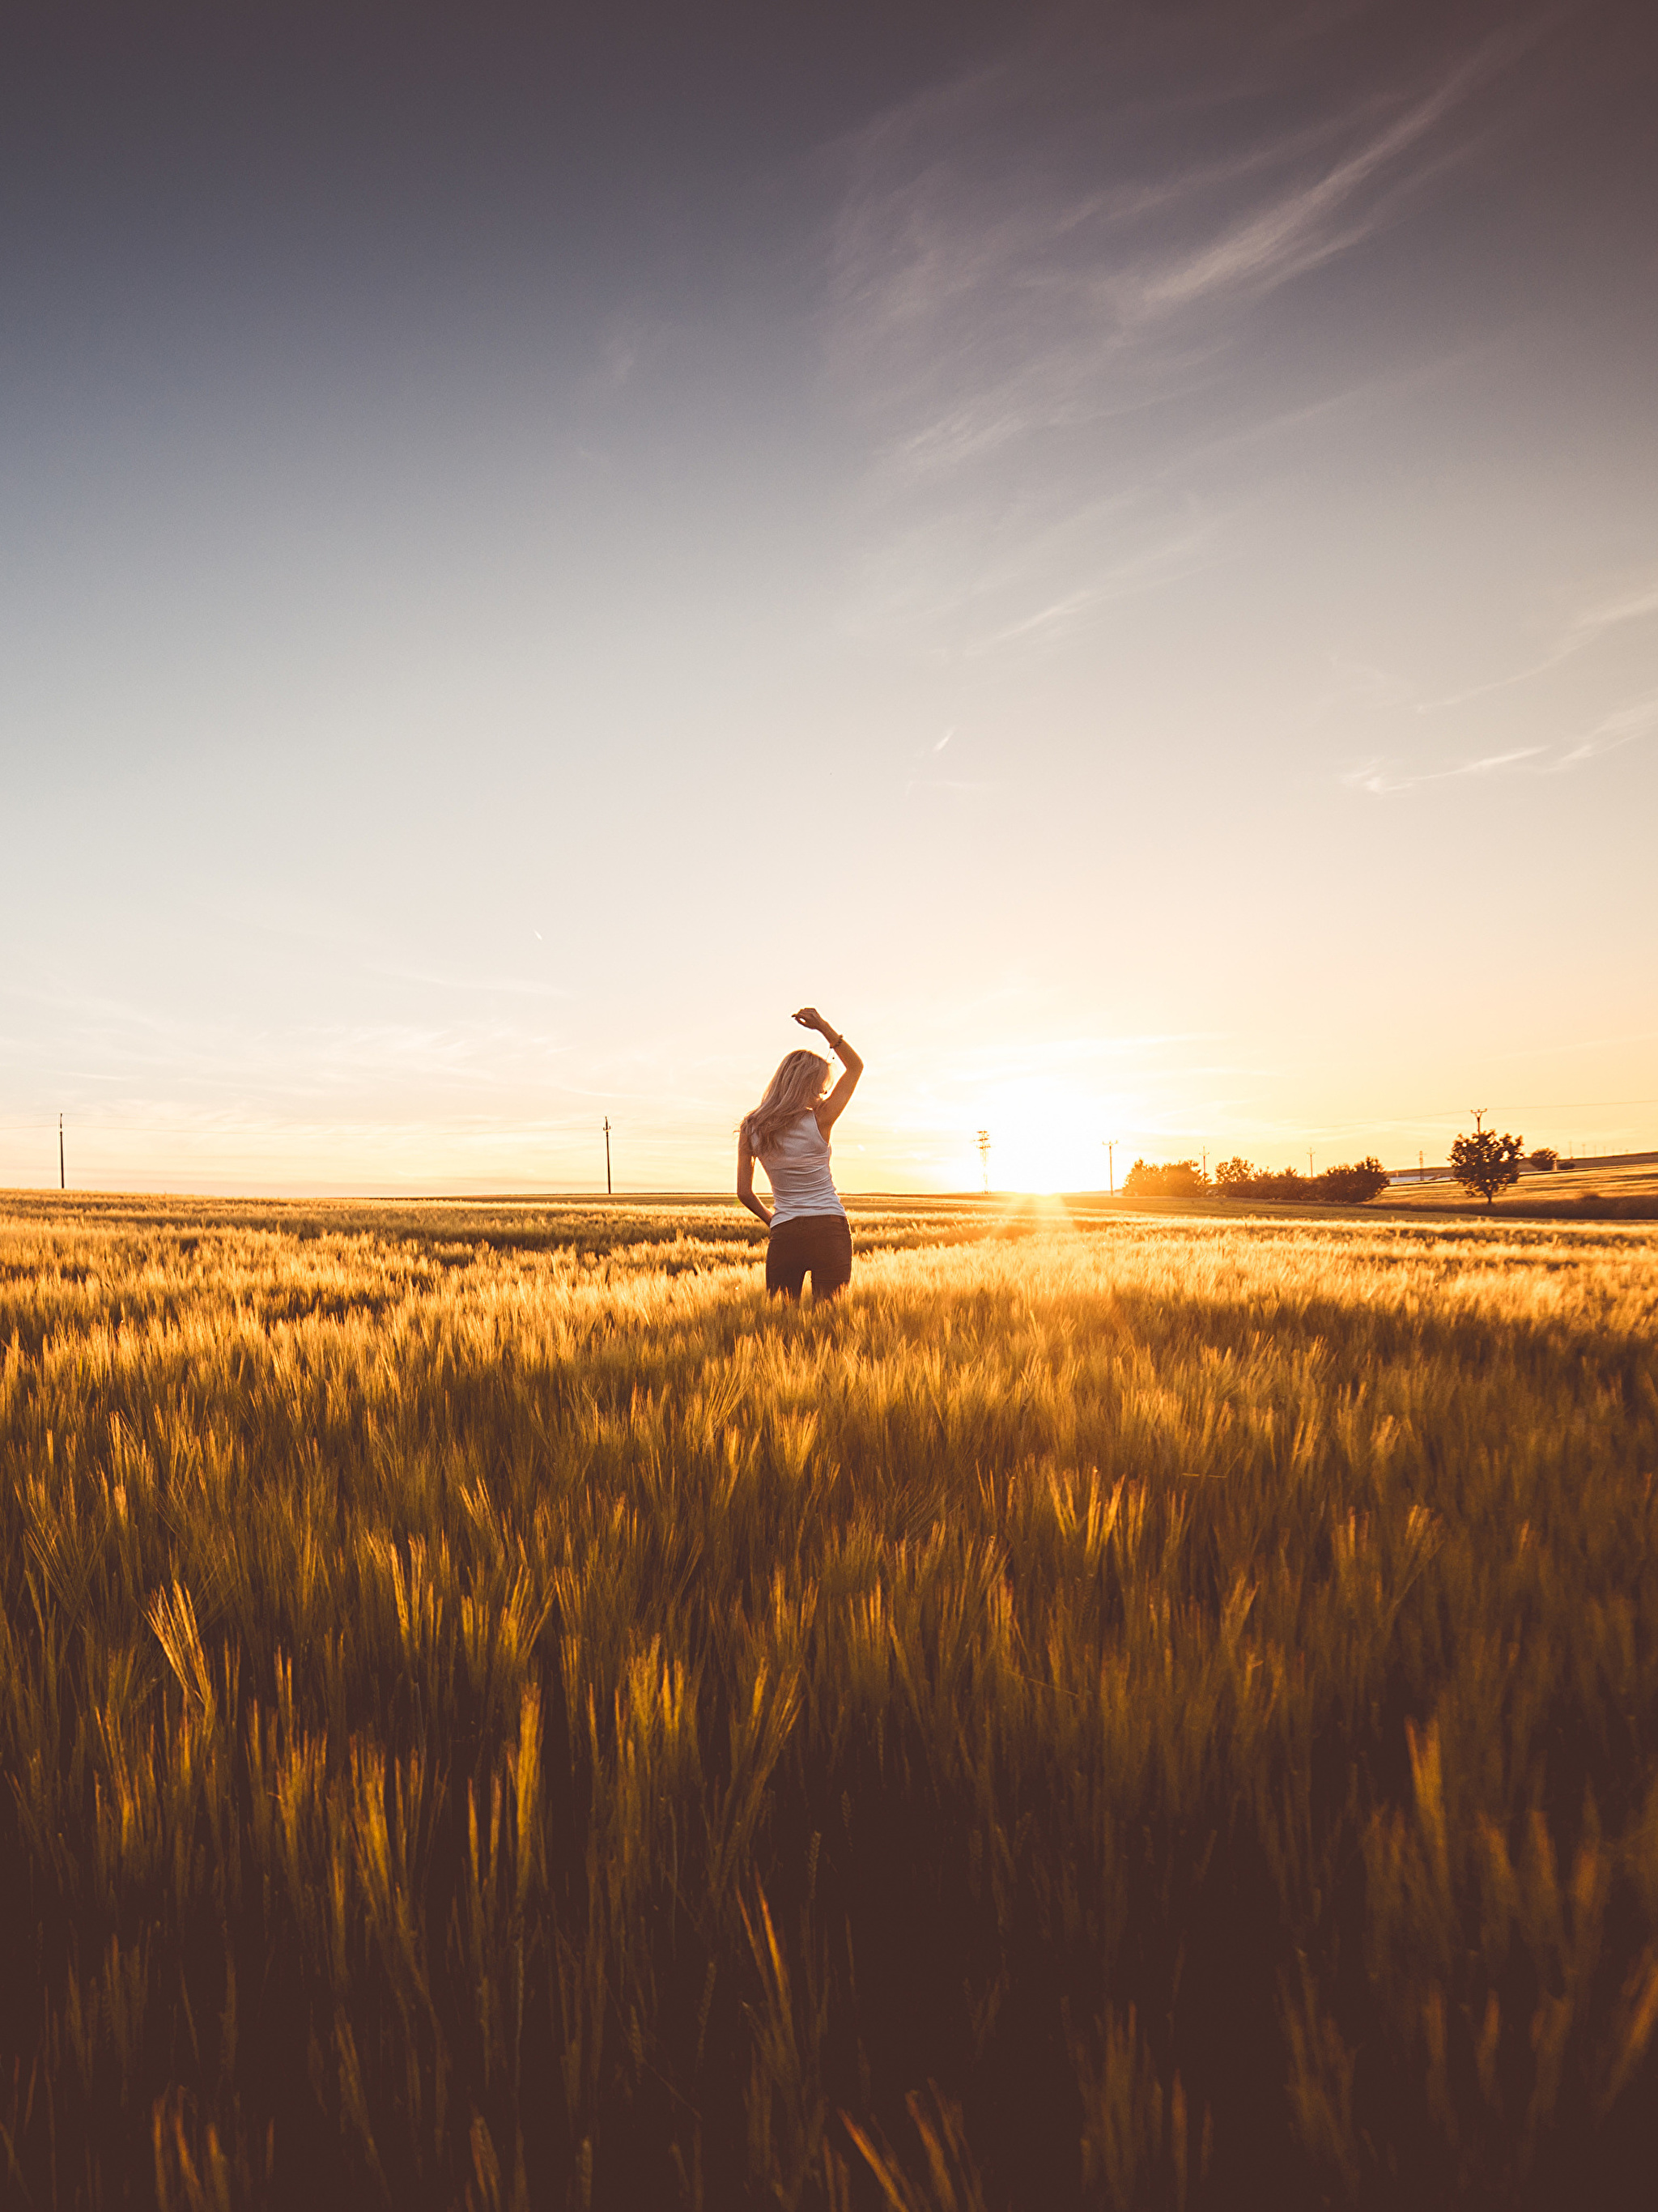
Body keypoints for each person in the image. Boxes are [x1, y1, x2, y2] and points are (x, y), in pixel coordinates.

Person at [738, 1008, 864, 1300]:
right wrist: (824, 1028)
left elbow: (744, 1192)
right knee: (830, 1323)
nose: (822, 1094)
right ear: (806, 1086)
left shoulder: (751, 1127)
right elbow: (855, 1068)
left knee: (783, 1325)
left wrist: (777, 1220)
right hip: (830, 1229)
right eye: (820, 1087)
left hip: (785, 1233)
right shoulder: (821, 1119)